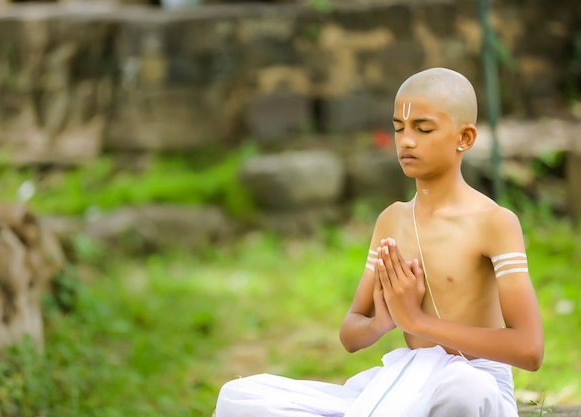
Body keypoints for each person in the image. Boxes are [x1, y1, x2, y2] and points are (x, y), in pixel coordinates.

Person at [214, 67, 544, 417]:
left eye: (423, 128)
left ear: (464, 138)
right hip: (407, 381)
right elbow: (351, 334)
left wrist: (416, 322)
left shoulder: (494, 222)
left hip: (476, 386)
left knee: (463, 389)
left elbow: (529, 349)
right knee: (239, 396)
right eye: (399, 128)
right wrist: (382, 321)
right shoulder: (392, 220)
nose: (406, 141)